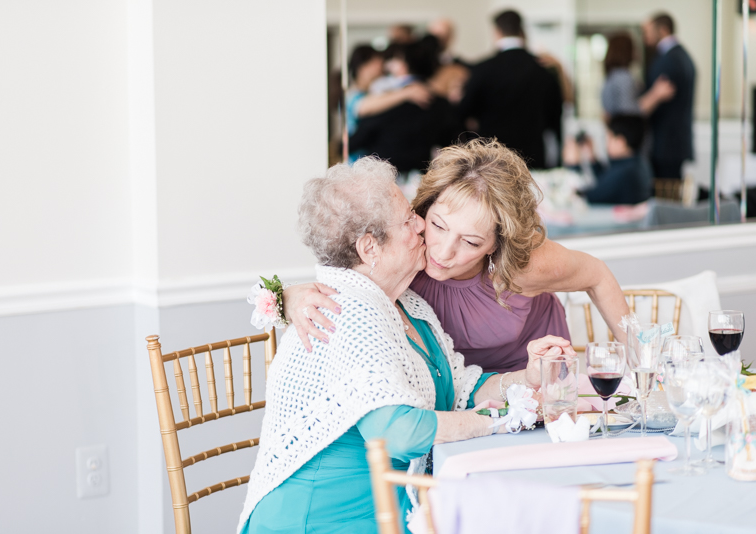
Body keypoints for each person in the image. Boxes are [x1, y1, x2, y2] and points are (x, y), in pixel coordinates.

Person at [239, 157, 573, 533]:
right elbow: (400, 434)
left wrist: (524, 380)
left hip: (394, 509)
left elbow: (463, 388)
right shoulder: (344, 311)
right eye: (407, 220)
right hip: (323, 520)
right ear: (369, 248)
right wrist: (501, 420)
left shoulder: (408, 306)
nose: (420, 224)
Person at [285, 139, 629, 373]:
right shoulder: (404, 254)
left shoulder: (522, 267)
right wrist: (289, 296)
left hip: (533, 376)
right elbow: (346, 281)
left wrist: (643, 363)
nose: (443, 252)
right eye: (437, 225)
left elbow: (597, 274)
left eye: (471, 242)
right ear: (424, 208)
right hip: (453, 390)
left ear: (496, 244)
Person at [458, 10, 563, 169]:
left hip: (492, 162)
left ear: (496, 32)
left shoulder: (482, 70)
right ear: (521, 31)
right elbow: (556, 119)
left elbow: (462, 113)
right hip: (532, 160)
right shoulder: (544, 72)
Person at [350, 40, 462, 176]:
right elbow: (454, 143)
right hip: (422, 176)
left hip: (385, 176)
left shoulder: (384, 102)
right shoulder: (440, 103)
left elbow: (357, 139)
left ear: (403, 65)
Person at [346, 45, 432, 163]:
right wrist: (407, 93)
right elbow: (363, 107)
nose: (382, 67)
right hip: (356, 162)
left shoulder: (374, 93)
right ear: (363, 67)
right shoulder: (353, 96)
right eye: (377, 62)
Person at [641, 13, 696, 179]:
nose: (646, 37)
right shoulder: (682, 56)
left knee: (665, 199)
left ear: (663, 30)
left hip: (666, 144)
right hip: (676, 142)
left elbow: (658, 99)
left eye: (648, 32)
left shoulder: (668, 60)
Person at [565, 115, 653, 205]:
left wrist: (574, 165)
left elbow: (588, 198)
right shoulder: (637, 163)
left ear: (620, 142)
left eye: (609, 138)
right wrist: (592, 158)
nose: (606, 143)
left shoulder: (624, 172)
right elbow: (605, 180)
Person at [602, 33, 676, 122]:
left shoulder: (613, 75)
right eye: (633, 47)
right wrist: (656, 95)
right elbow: (629, 114)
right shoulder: (622, 77)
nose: (636, 51)